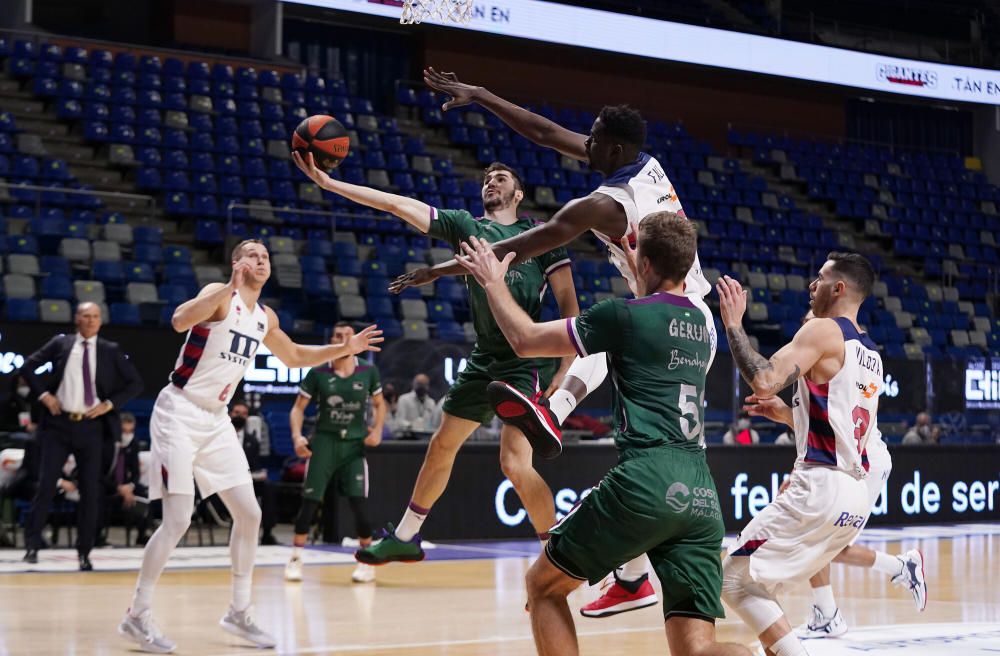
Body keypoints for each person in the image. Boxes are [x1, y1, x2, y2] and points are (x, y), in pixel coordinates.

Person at [394, 68, 716, 614]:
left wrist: (466, 264)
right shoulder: (643, 164)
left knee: (620, 390)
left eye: (592, 138)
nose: (583, 142)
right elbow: (545, 133)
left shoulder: (607, 205)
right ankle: (635, 575)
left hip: (671, 318)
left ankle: (553, 409)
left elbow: (538, 239)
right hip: (686, 315)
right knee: (667, 439)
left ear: (612, 148)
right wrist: (482, 93)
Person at [455, 213, 751, 656]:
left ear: (644, 262)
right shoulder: (704, 328)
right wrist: (644, 268)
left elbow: (524, 339)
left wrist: (493, 282)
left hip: (646, 478)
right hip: (701, 493)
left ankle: (551, 412)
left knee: (543, 587)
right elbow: (658, 310)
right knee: (698, 649)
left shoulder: (623, 316)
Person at [292, 152, 579, 564]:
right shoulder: (468, 227)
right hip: (484, 356)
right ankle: (406, 537)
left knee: (514, 463)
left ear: (519, 192)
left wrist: (566, 365)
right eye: (487, 179)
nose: (491, 183)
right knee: (441, 445)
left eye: (500, 177)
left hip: (525, 356)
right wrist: (331, 185)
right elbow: (396, 204)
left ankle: (555, 555)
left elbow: (569, 302)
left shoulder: (540, 237)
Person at [118, 239, 383, 654]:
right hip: (180, 411)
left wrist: (343, 349)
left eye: (266, 256)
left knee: (250, 513)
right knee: (178, 519)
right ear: (237, 263)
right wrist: (227, 286)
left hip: (217, 419)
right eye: (253, 255)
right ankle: (136, 615)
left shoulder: (265, 316)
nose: (262, 260)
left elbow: (294, 356)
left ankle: (239, 611)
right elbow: (177, 320)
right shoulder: (218, 297)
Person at [716, 252, 894, 656]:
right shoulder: (871, 353)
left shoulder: (822, 330)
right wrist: (787, 413)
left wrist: (732, 324)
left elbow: (764, 379)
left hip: (819, 486)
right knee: (760, 583)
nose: (812, 285)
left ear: (840, 288)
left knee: (732, 578)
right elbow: (843, 426)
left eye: (820, 278)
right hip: (853, 496)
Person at [743, 319, 926, 641]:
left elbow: (834, 428)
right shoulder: (842, 362)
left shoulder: (836, 353)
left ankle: (897, 569)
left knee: (821, 538)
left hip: (858, 461)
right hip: (845, 460)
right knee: (819, 539)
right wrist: (787, 413)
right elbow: (822, 425)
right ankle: (833, 609)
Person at [19, 302, 143, 571]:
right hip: (59, 424)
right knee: (46, 485)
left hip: (92, 427)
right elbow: (28, 366)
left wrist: (109, 404)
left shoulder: (110, 350)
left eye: (95, 316)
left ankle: (84, 552)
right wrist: (44, 395)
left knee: (90, 491)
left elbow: (135, 383)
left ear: (101, 321)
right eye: (86, 316)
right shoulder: (61, 344)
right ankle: (31, 546)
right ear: (77, 319)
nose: (90, 321)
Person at [285, 322, 386, 584]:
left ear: (355, 340)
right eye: (338, 335)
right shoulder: (319, 371)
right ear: (331, 339)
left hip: (353, 445)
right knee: (309, 503)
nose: (343, 339)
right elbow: (297, 408)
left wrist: (377, 429)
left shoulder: (368, 370)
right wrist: (297, 437)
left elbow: (379, 403)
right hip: (325, 442)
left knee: (359, 505)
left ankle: (367, 560)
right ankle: (296, 558)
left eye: (347, 335)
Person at [229, 401, 278, 546]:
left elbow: (254, 466)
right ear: (230, 414)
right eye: (237, 413)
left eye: (244, 414)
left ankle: (267, 533)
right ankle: (237, 531)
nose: (240, 416)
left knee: (269, 487)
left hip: (247, 481)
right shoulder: (221, 437)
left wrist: (259, 474)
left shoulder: (252, 440)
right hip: (226, 482)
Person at [99, 412, 150, 546]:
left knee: (144, 494)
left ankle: (142, 534)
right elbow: (99, 474)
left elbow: (136, 473)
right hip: (107, 485)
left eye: (131, 431)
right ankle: (97, 536)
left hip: (126, 486)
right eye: (124, 431)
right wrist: (117, 487)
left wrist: (130, 487)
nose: (127, 435)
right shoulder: (106, 444)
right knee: (97, 494)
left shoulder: (133, 444)